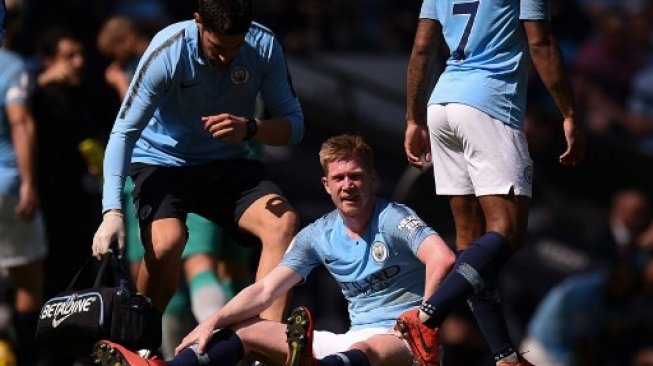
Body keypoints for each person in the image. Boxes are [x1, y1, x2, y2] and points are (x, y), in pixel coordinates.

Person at [90, 134, 455, 366]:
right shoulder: (318, 234)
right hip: (349, 341)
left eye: (356, 177)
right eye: (339, 179)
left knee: (367, 351)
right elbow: (265, 290)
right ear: (325, 185)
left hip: (404, 344)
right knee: (246, 330)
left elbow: (442, 257)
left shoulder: (393, 216)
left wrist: (422, 320)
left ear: (372, 179)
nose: (348, 186)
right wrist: (212, 323)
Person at [90, 0, 303, 338]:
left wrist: (250, 127)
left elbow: (295, 125)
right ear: (198, 22)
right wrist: (112, 211)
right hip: (163, 162)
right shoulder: (167, 51)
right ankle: (139, 339)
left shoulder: (264, 46)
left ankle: (266, 347)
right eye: (217, 48)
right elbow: (124, 131)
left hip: (227, 162)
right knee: (166, 245)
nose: (225, 59)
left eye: (234, 49)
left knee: (283, 223)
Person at [400, 0, 587, 365]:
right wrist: (569, 113)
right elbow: (542, 43)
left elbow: (422, 47)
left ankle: (504, 356)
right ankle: (426, 316)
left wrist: (413, 118)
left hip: (442, 105)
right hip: (490, 104)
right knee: (510, 231)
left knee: (472, 245)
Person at [0, 24, 47, 365]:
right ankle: (27, 358)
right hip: (7, 185)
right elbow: (19, 121)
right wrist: (29, 182)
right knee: (29, 281)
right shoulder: (11, 65)